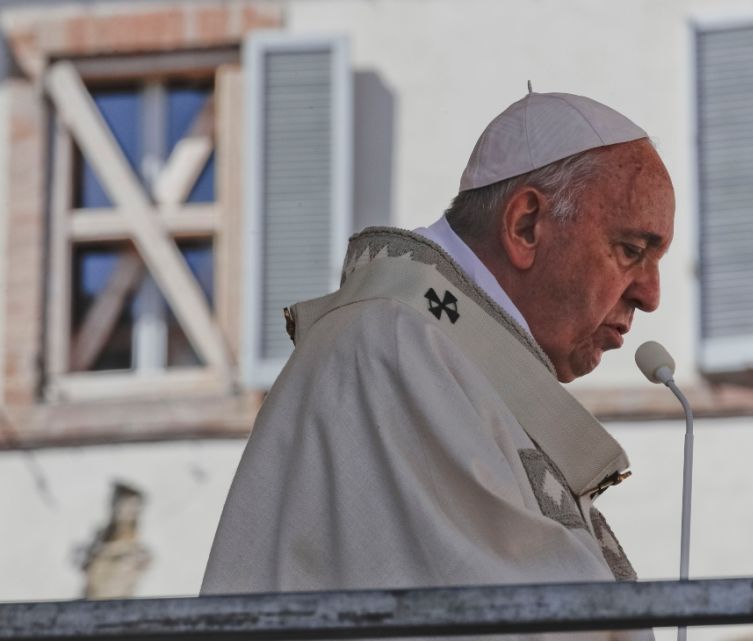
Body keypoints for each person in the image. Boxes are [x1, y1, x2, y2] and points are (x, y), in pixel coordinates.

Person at [202, 91, 675, 630]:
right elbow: (504, 614)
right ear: (525, 225)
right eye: (631, 250)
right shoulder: (394, 346)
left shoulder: (440, 349)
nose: (651, 294)